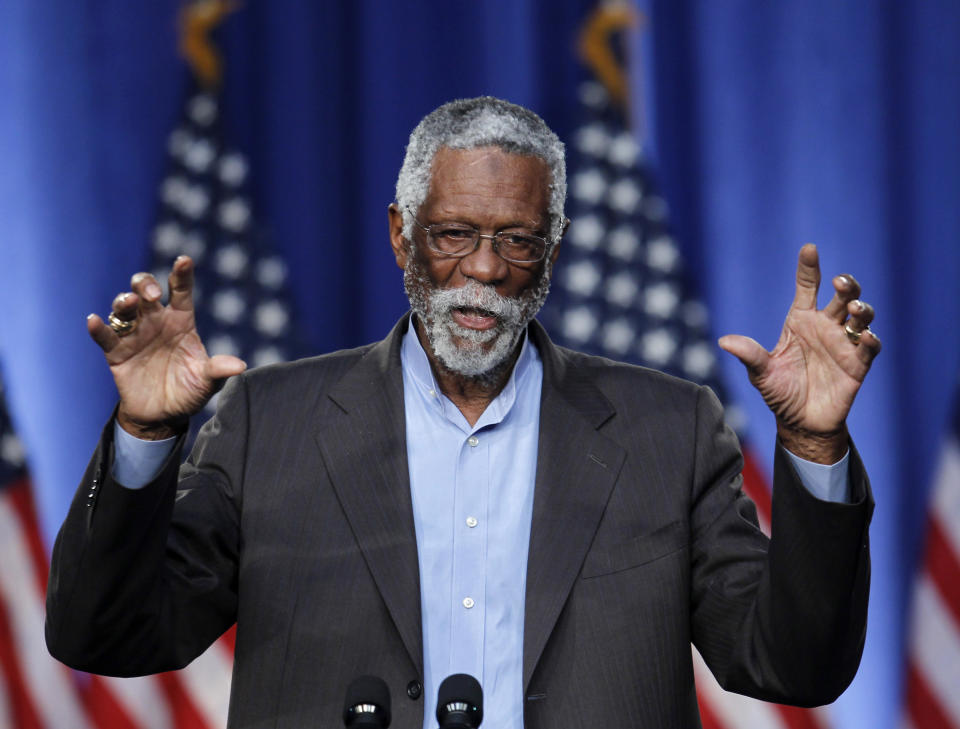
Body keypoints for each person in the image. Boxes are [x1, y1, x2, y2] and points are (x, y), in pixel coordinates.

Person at [46, 97, 880, 729]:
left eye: (517, 240)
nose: (483, 268)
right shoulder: (270, 422)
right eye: (452, 234)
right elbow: (106, 635)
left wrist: (812, 443)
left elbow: (792, 665)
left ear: (550, 255)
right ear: (401, 235)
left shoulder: (669, 430)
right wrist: (146, 435)